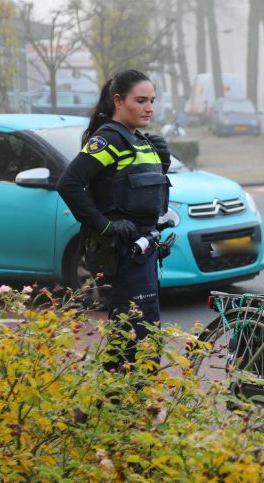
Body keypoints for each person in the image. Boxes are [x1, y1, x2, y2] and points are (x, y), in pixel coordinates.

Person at [57, 69, 172, 372]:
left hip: (143, 253)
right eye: (141, 100)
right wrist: (105, 225)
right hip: (120, 254)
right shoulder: (109, 139)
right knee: (139, 339)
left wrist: (164, 164)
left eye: (153, 100)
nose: (150, 107)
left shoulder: (139, 140)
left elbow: (148, 197)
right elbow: (69, 184)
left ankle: (117, 409)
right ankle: (124, 409)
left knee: (138, 337)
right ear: (119, 101)